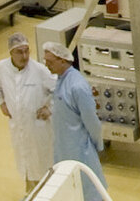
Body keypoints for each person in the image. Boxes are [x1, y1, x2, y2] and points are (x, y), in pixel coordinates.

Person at [0, 33, 55, 192]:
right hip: (19, 126)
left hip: (38, 128)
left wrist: (49, 108)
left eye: (27, 51)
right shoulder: (1, 68)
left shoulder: (39, 70)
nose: (24, 56)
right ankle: (31, 193)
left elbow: (58, 91)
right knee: (25, 161)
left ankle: (47, 194)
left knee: (42, 162)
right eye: (19, 52)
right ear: (11, 53)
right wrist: (1, 102)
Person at [44, 42, 108, 201]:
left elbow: (92, 121)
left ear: (62, 61)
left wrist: (96, 144)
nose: (46, 65)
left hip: (80, 149)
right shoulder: (60, 80)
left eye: (50, 62)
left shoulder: (77, 86)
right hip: (64, 146)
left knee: (89, 189)